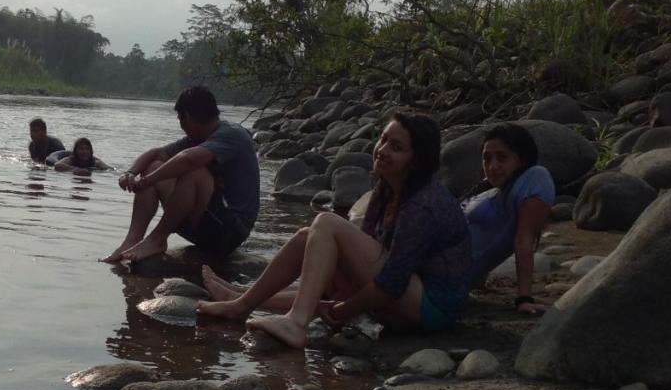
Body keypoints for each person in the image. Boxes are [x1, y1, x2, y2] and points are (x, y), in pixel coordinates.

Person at [197, 113, 471, 348]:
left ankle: (296, 322)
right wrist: (339, 292)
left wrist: (342, 310)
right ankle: (241, 302)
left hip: (433, 306)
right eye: (383, 140)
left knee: (327, 223)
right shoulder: (386, 188)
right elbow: (362, 252)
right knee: (308, 238)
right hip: (405, 290)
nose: (383, 150)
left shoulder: (422, 204)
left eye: (396, 147)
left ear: (416, 161)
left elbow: (390, 285)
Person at [101, 86, 259, 263]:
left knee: (196, 172)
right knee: (154, 166)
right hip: (201, 225)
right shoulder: (198, 137)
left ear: (188, 117)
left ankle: (157, 239)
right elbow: (156, 154)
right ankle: (133, 239)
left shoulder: (232, 134)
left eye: (179, 118)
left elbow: (189, 160)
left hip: (228, 231)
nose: (180, 124)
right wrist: (130, 173)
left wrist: (146, 181)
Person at [463, 123, 555, 315]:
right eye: (486, 158)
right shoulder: (492, 189)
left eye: (502, 157)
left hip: (443, 274)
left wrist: (524, 299)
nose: (492, 166)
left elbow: (524, 241)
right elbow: (482, 233)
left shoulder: (535, 179)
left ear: (521, 160)